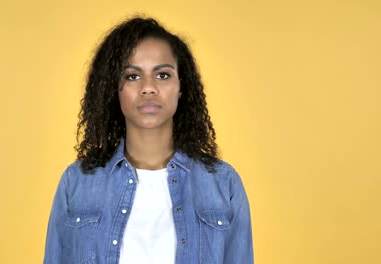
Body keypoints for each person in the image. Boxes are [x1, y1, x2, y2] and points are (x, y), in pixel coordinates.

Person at [43, 16, 253, 264]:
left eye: (163, 75)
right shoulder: (77, 182)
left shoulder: (223, 183)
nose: (148, 88)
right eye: (132, 76)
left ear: (181, 87)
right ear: (115, 88)